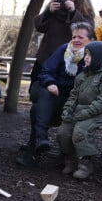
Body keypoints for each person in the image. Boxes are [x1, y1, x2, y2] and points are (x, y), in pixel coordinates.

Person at [16, 22, 95, 167]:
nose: (76, 40)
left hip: (75, 101)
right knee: (45, 96)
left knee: (37, 108)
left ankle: (36, 146)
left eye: (81, 37)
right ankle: (40, 142)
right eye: (74, 37)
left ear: (91, 40)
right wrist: (50, 83)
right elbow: (46, 71)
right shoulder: (65, 49)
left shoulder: (94, 56)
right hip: (56, 95)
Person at [56, 41, 102, 179]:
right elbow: (73, 96)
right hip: (79, 111)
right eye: (86, 54)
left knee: (80, 131)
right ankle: (70, 159)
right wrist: (67, 109)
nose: (86, 57)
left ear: (100, 57)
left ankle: (86, 164)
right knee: (63, 131)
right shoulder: (82, 75)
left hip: (99, 113)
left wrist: (87, 112)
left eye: (90, 55)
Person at [31, 0, 95, 86]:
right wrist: (49, 12)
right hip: (47, 57)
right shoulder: (53, 6)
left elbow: (89, 30)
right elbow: (39, 26)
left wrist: (74, 12)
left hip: (71, 60)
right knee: (38, 88)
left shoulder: (85, 10)